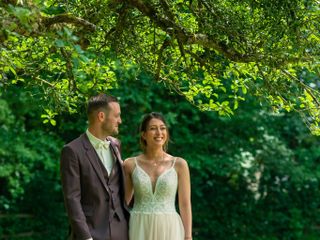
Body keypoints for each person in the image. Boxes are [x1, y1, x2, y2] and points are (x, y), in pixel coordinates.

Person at [60, 93, 129, 240]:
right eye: (116, 116)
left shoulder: (116, 145)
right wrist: (86, 237)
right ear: (101, 116)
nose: (120, 121)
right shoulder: (72, 151)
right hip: (91, 232)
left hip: (121, 231)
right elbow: (72, 199)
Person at [123, 112, 192, 240]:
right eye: (153, 128)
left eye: (162, 128)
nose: (159, 133)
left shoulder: (179, 164)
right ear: (143, 134)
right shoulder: (130, 164)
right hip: (139, 226)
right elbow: (123, 203)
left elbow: (185, 204)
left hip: (169, 228)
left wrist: (188, 236)